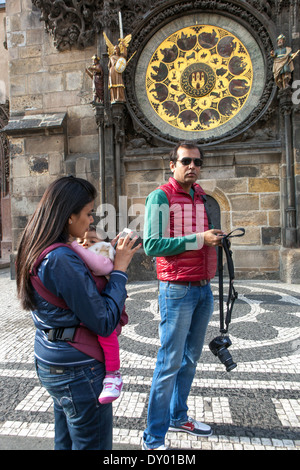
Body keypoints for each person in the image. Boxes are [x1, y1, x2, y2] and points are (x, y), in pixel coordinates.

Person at [16, 176, 140, 450]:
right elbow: (104, 321)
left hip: (53, 359)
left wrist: (101, 251)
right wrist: (119, 269)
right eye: (88, 213)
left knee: (67, 441)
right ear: (69, 216)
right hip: (78, 369)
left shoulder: (37, 245)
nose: (91, 220)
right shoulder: (60, 258)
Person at [142, 142, 223, 450]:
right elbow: (152, 245)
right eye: (186, 161)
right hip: (176, 290)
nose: (192, 166)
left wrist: (215, 239)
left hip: (203, 287)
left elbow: (200, 239)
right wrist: (199, 239)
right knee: (169, 363)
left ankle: (179, 416)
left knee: (190, 359)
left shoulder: (201, 196)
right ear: (172, 164)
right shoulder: (160, 196)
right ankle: (153, 438)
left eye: (197, 162)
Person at [71, 226, 125, 404]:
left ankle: (113, 375)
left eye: (93, 241)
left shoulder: (104, 260)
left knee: (106, 336)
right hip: (87, 313)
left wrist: (75, 245)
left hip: (103, 311)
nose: (85, 244)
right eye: (81, 241)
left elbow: (99, 265)